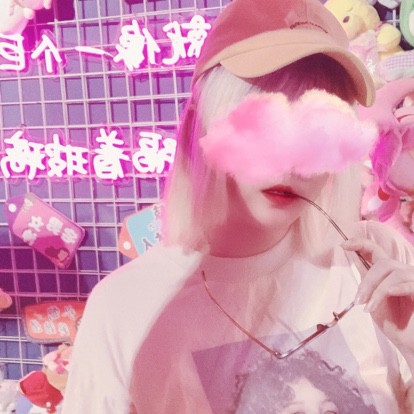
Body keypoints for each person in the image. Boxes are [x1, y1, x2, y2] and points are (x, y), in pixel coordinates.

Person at [62, 0, 414, 413]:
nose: (291, 162)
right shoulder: (125, 309)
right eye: (263, 124)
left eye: (318, 130)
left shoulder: (376, 264)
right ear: (200, 125)